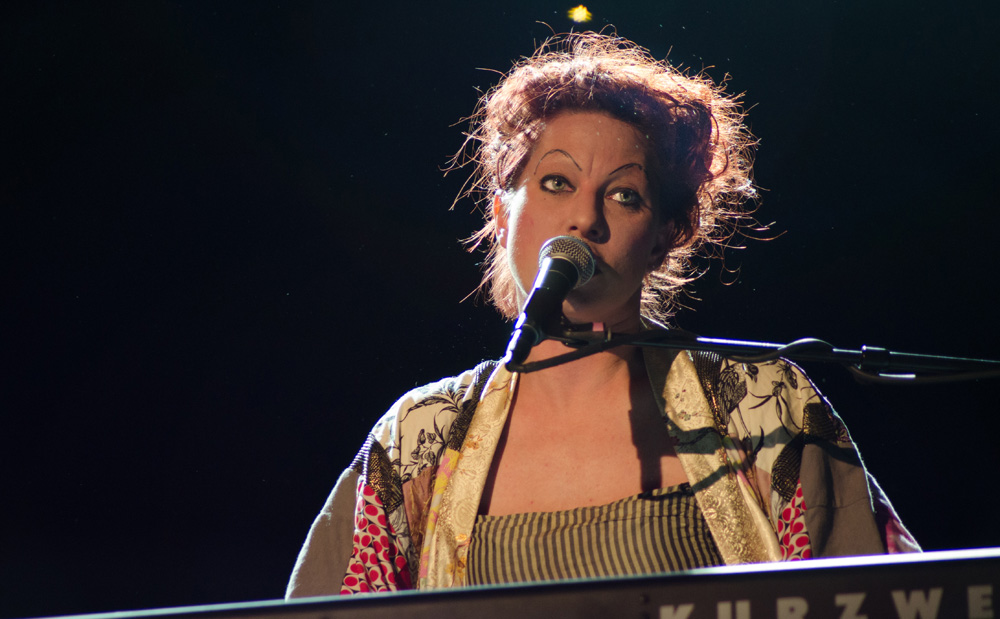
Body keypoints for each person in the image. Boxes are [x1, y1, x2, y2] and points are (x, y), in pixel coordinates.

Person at [285, 32, 918, 597]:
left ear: (667, 234)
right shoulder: (417, 441)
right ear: (503, 214)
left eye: (623, 195)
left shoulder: (763, 407)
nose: (585, 219)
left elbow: (884, 599)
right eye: (556, 183)